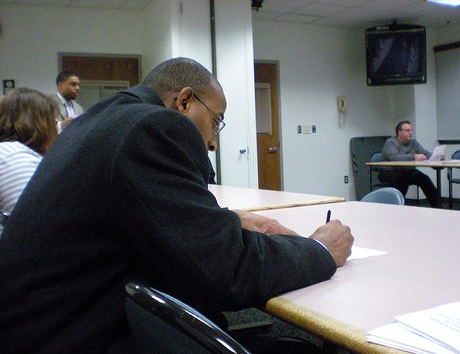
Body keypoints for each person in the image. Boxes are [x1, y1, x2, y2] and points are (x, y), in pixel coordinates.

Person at [0, 57, 354, 353]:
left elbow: (134, 217)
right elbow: (227, 271)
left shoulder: (96, 123)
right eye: (216, 121)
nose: (213, 141)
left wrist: (224, 220)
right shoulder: (154, 126)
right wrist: (319, 248)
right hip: (79, 338)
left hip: (38, 327)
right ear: (184, 101)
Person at [0, 87, 59, 231]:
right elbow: (38, 225)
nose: (57, 127)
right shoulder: (14, 156)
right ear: (41, 124)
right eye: (53, 120)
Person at [379, 120, 439, 207]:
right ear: (399, 132)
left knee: (424, 179)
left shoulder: (413, 142)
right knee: (401, 179)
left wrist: (436, 156)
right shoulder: (391, 142)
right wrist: (414, 156)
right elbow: (394, 158)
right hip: (390, 172)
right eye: (407, 130)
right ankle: (398, 207)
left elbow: (424, 153)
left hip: (407, 171)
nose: (410, 132)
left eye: (411, 130)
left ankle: (437, 206)